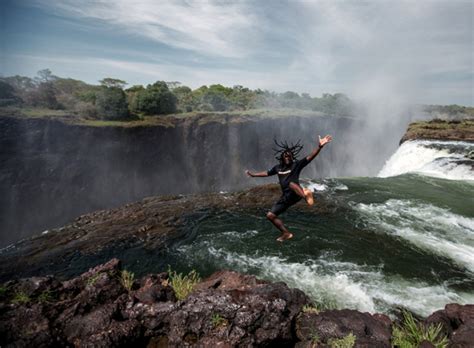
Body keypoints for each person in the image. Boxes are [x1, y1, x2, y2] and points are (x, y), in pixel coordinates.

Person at [245, 135, 333, 242]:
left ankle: (306, 196)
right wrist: (253, 175)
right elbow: (267, 173)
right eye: (285, 155)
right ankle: (286, 233)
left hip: (296, 192)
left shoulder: (296, 165)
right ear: (282, 157)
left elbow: (310, 157)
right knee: (270, 215)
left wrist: (319, 147)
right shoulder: (278, 168)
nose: (287, 156)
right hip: (286, 197)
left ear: (292, 157)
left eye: (289, 155)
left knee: (290, 183)